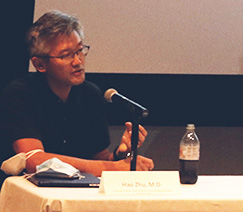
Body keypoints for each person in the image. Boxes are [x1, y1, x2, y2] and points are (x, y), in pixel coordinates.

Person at [0, 10, 153, 177]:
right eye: (66, 55)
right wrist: (112, 168)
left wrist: (121, 154)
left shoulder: (90, 94)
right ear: (40, 64)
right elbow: (33, 160)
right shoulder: (19, 94)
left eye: (80, 50)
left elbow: (98, 159)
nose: (78, 61)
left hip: (76, 192)